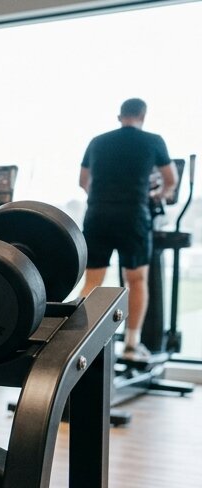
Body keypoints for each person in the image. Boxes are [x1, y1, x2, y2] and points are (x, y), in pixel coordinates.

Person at [79, 97, 176, 362]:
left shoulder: (98, 141)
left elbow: (83, 181)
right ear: (143, 115)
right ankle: (132, 345)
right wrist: (158, 195)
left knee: (93, 281)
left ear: (119, 116)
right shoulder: (153, 141)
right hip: (133, 216)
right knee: (136, 279)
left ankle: (77, 345)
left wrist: (102, 198)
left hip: (98, 214)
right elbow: (170, 180)